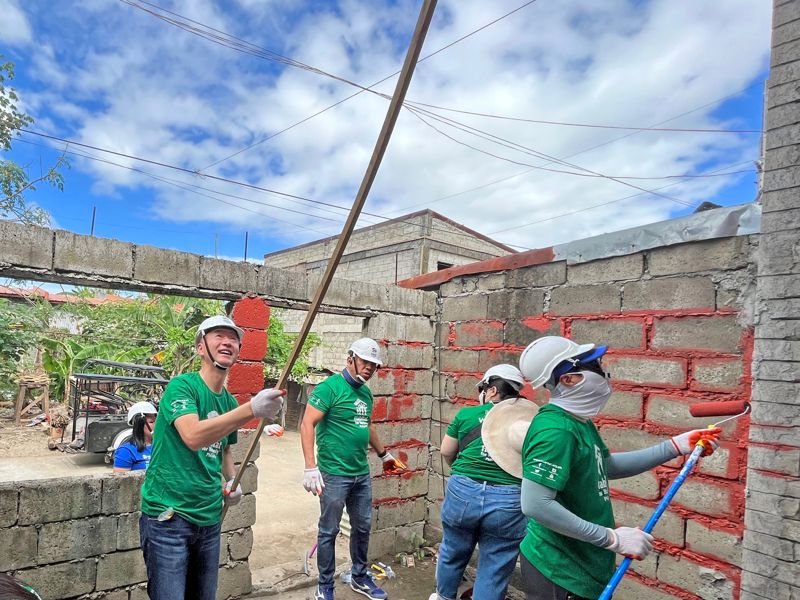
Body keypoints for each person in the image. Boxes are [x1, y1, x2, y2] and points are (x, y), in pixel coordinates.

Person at [515, 336, 722, 600]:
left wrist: (674, 446)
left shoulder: (578, 422)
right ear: (569, 378)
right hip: (560, 567)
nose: (604, 372)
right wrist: (610, 538)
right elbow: (535, 504)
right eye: (595, 366)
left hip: (584, 559)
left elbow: (606, 466)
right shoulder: (556, 431)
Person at [139, 315, 286, 600]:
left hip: (209, 518)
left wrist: (231, 481)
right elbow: (193, 436)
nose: (227, 342)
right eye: (218, 335)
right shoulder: (182, 387)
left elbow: (225, 449)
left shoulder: (228, 402)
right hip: (169, 517)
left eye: (233, 338)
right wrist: (251, 409)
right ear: (200, 347)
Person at [300, 337, 405, 600]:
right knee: (329, 530)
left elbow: (367, 426)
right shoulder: (329, 389)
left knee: (362, 527)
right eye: (365, 361)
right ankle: (325, 586)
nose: (369, 368)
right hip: (334, 474)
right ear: (350, 359)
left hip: (361, 474)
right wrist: (310, 467)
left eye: (374, 364)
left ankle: (359, 577)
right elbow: (306, 424)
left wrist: (384, 455)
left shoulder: (366, 393)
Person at [429, 364, 535, 600]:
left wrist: (462, 474)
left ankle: (443, 597)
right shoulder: (531, 422)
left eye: (485, 388)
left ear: (493, 391)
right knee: (495, 563)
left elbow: (446, 451)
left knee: (453, 551)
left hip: (463, 491)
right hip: (509, 499)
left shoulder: (466, 415)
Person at [113, 401, 157, 472]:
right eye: (151, 422)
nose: (156, 424)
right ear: (139, 425)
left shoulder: (161, 446)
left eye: (156, 420)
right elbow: (120, 481)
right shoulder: (126, 451)